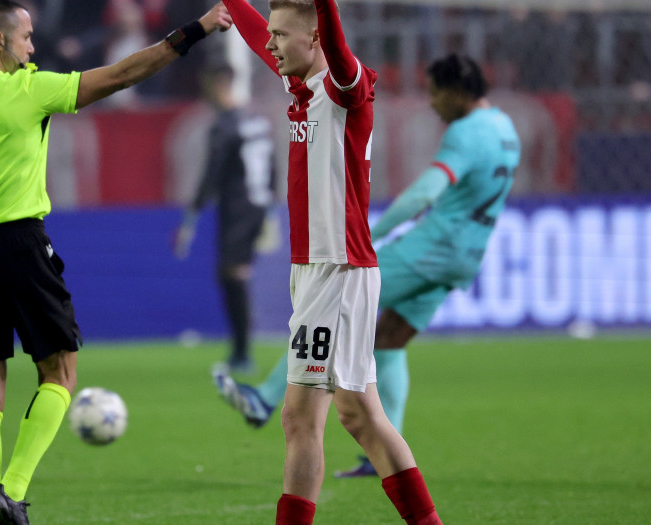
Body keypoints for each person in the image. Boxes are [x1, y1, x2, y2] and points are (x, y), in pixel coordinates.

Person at [0, 2, 233, 524]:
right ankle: (13, 489)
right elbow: (124, 73)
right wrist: (197, 30)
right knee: (60, 372)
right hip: (20, 244)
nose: (34, 47)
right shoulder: (29, 90)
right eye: (26, 37)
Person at [215, 54, 521, 482]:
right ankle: (373, 459)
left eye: (435, 92)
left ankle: (264, 399)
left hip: (430, 249)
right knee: (390, 339)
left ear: (455, 91)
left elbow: (424, 195)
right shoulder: (505, 128)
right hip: (466, 256)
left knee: (330, 306)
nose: (432, 103)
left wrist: (371, 235)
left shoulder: (465, 132)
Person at [218, 1, 442, 523]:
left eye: (282, 35)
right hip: (315, 270)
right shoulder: (298, 85)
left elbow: (338, 52)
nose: (270, 44)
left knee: (322, 416)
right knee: (340, 415)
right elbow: (255, 32)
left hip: (340, 269)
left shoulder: (346, 87)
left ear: (315, 39)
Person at [174, 64, 278, 375]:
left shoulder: (224, 127)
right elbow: (273, 166)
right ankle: (240, 349)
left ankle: (243, 353)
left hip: (237, 208)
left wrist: (190, 219)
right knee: (233, 274)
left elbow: (212, 175)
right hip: (258, 206)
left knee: (233, 275)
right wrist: (270, 207)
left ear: (220, 84)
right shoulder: (256, 122)